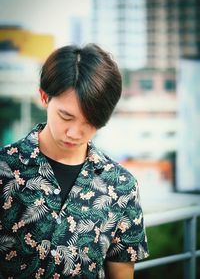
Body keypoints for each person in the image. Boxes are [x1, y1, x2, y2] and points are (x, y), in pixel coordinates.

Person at [0, 44, 149, 279]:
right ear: (44, 97)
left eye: (91, 122)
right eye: (66, 116)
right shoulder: (4, 169)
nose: (75, 133)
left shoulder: (121, 186)